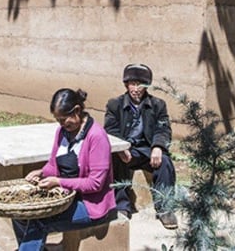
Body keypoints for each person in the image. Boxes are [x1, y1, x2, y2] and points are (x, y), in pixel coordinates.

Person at [12, 88, 117, 250]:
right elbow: (54, 164)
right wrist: (41, 172)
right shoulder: (62, 132)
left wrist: (58, 182)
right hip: (68, 197)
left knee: (39, 220)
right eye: (58, 120)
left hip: (91, 205)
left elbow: (95, 184)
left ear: (77, 111)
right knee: (19, 212)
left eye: (63, 119)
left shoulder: (97, 136)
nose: (61, 124)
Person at [104, 63, 178, 229]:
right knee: (115, 159)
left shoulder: (158, 105)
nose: (136, 89)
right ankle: (122, 206)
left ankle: (165, 208)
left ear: (146, 86)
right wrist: (121, 147)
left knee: (165, 162)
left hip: (147, 150)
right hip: (126, 148)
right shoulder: (114, 105)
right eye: (132, 84)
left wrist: (158, 146)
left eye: (140, 84)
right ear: (126, 85)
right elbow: (110, 130)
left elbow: (163, 128)